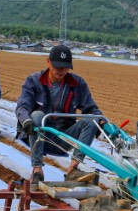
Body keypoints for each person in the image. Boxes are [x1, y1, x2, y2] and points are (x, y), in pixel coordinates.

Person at [16, 44, 103, 184]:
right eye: (58, 66)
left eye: (65, 67)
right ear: (48, 62)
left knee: (91, 119)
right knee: (38, 115)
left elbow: (91, 108)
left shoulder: (77, 83)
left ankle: (72, 170)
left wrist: (101, 122)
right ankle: (37, 170)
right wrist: (26, 121)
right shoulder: (33, 81)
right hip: (39, 135)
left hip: (63, 137)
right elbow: (22, 107)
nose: (62, 71)